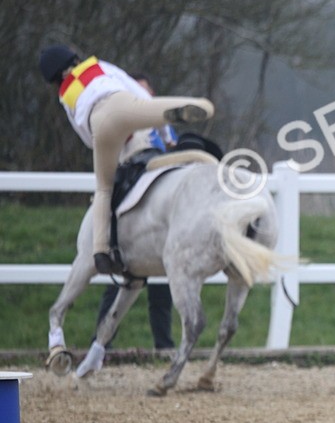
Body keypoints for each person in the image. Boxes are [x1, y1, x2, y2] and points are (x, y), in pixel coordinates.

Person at [38, 45, 214, 275]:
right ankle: (195, 109)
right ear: (74, 59)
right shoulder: (97, 67)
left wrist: (106, 142)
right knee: (184, 107)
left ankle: (100, 252)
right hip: (124, 105)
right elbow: (136, 91)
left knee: (103, 189)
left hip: (100, 123)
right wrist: (164, 137)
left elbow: (84, 133)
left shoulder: (66, 94)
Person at [92, 73, 177, 351]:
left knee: (163, 284)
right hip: (130, 200)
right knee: (119, 274)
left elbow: (172, 150)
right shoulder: (121, 123)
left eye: (146, 92)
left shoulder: (159, 123)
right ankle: (101, 343)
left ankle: (163, 346)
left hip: (155, 204)